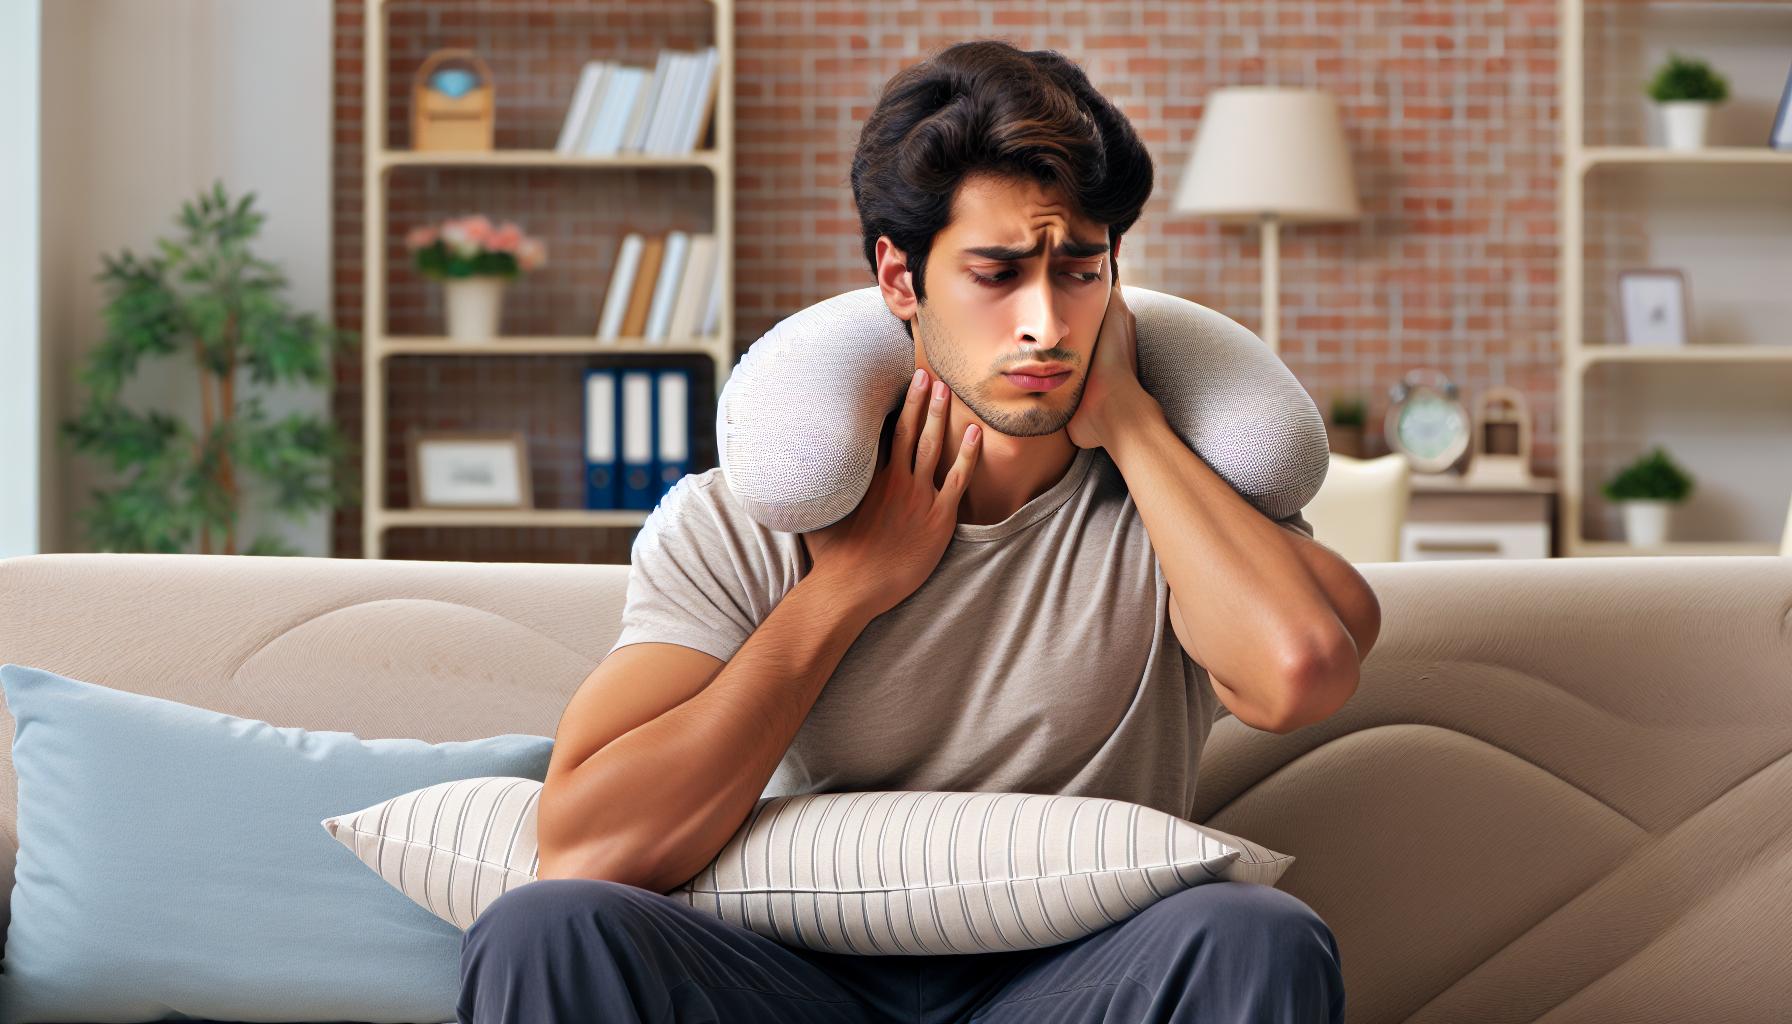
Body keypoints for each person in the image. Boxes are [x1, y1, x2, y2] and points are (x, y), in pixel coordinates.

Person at [460, 38, 1379, 1024]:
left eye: (1078, 271)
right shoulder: (748, 518)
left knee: (1257, 933)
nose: (1045, 322)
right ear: (900, 280)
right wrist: (844, 589)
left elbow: (1299, 673)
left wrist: (1133, 424)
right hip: (793, 978)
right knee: (543, 929)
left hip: (1068, 982)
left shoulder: (1183, 507)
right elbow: (588, 848)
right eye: (997, 273)